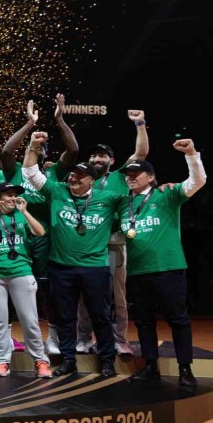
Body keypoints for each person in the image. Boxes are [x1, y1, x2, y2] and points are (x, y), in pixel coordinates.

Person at [22, 132, 125, 378]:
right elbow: (29, 172)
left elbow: (137, 201)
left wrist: (160, 187)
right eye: (71, 174)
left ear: (92, 180)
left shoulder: (109, 198)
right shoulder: (57, 191)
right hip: (61, 267)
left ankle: (107, 360)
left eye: (79, 176)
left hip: (95, 268)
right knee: (65, 317)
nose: (73, 178)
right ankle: (68, 359)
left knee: (100, 316)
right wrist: (33, 146)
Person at [121, 140, 206, 387]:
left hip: (168, 268)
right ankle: (150, 366)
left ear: (151, 177)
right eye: (128, 174)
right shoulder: (123, 204)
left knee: (178, 320)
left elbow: (197, 181)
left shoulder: (167, 194)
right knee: (144, 321)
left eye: (136, 174)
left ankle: (185, 369)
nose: (130, 177)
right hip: (137, 271)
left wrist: (191, 154)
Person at [1, 96, 79, 355]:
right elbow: (6, 152)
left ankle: (53, 337)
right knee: (11, 285)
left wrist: (60, 119)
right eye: (34, 148)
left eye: (42, 148)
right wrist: (29, 124)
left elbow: (73, 151)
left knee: (47, 289)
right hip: (16, 236)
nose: (38, 150)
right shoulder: (14, 172)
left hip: (45, 237)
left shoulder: (52, 174)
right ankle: (7, 338)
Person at [76, 110, 149, 356]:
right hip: (87, 244)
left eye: (102, 155)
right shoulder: (81, 180)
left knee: (117, 295)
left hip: (114, 243)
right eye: (93, 155)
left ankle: (119, 339)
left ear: (112, 160)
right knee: (86, 295)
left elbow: (141, 153)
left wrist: (140, 124)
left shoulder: (119, 177)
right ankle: (84, 338)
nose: (97, 159)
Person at [0, 182, 51, 378]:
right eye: (8, 194)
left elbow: (40, 232)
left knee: (30, 320)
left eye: (14, 195)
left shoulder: (20, 215)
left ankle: (40, 360)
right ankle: (2, 360)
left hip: (21, 271)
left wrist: (25, 212)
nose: (13, 198)